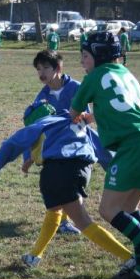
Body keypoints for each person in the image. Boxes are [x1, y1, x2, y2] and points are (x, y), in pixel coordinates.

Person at [0, 107, 134, 272]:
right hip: (83, 170)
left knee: (82, 221)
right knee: (55, 209)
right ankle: (34, 255)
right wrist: (128, 182)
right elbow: (105, 154)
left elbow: (10, 145)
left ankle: (131, 259)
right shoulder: (76, 122)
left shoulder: (41, 124)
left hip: (57, 171)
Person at [69, 31, 140, 279]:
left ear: (98, 56)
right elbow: (121, 108)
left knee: (108, 209)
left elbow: (73, 112)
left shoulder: (94, 77)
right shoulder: (126, 74)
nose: (82, 62)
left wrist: (79, 116)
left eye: (85, 56)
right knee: (128, 208)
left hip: (132, 147)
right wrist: (95, 117)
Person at [23, 50, 88, 235]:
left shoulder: (77, 88)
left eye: (45, 68)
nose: (41, 73)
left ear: (58, 68)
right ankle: (64, 222)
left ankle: (68, 219)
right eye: (38, 69)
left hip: (77, 146)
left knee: (72, 185)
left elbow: (86, 117)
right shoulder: (41, 97)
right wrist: (28, 156)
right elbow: (34, 128)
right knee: (59, 185)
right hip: (53, 149)